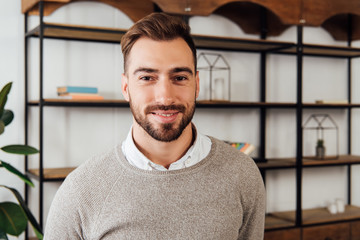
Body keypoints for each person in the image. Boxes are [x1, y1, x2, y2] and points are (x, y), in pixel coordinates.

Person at [44, 12, 265, 239]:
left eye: (179, 77)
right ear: (125, 87)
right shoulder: (81, 190)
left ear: (196, 85)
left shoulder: (242, 174)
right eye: (147, 78)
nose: (165, 97)